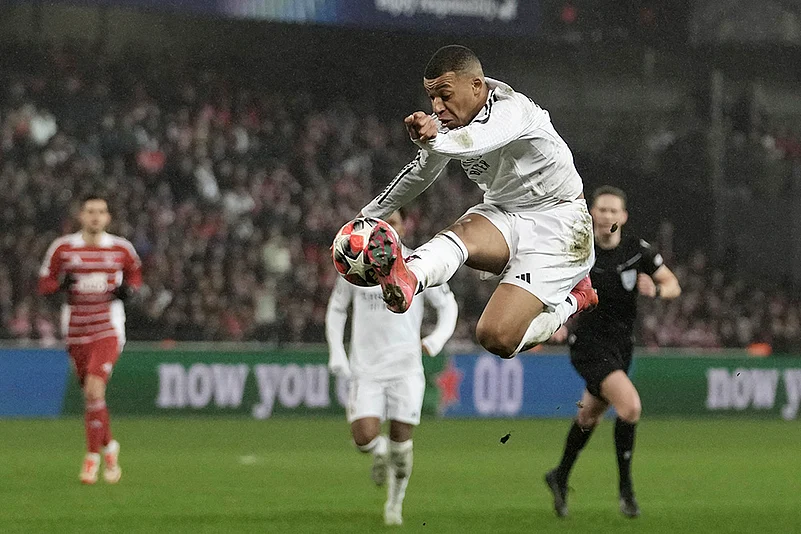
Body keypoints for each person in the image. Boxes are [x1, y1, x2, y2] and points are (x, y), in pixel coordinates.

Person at [357, 44, 596, 360]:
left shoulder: (513, 110)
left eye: (445, 94)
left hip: (561, 224)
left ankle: (577, 298)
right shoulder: (447, 125)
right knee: (463, 232)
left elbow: (476, 142)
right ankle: (408, 277)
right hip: (504, 213)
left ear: (476, 86)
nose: (437, 106)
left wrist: (434, 140)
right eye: (432, 98)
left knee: (496, 337)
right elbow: (418, 173)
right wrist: (365, 218)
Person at [544, 186, 681, 518]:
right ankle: (626, 491)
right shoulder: (578, 249)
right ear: (591, 213)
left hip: (621, 346)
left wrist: (659, 289)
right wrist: (553, 317)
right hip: (588, 345)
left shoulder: (638, 250)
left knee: (589, 415)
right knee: (630, 407)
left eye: (612, 211)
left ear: (623, 217)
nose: (606, 216)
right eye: (601, 210)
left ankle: (559, 476)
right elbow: (547, 284)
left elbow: (673, 284)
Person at [325, 210, 459, 526]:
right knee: (364, 438)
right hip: (366, 369)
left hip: (406, 368)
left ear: (402, 228)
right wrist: (336, 353)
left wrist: (436, 339)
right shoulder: (356, 267)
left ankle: (394, 505)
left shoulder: (419, 264)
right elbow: (336, 309)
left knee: (403, 445)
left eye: (395, 223)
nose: (388, 230)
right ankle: (378, 451)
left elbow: (448, 305)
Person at [38, 194, 142, 484]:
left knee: (95, 391)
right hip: (76, 329)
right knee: (92, 397)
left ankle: (92, 457)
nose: (96, 216)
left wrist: (129, 292)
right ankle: (110, 446)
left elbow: (135, 274)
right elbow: (44, 283)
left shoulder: (121, 248)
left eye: (101, 212)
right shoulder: (63, 248)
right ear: (81, 216)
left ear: (108, 218)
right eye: (90, 211)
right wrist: (59, 285)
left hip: (108, 327)